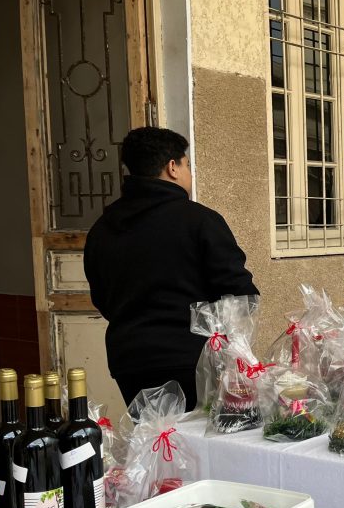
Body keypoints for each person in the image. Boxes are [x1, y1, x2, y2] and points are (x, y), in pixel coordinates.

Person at [85, 126, 260, 408]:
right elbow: (239, 294)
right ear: (172, 167)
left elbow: (102, 298)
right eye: (187, 165)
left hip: (129, 360)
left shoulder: (102, 228)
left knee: (154, 433)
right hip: (192, 360)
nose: (189, 173)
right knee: (197, 434)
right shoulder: (199, 220)